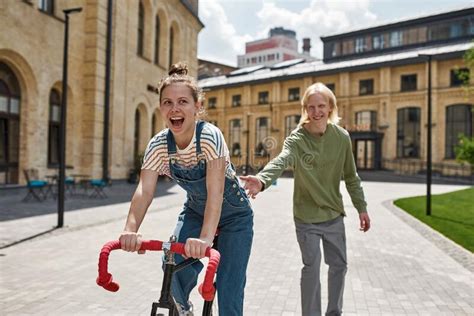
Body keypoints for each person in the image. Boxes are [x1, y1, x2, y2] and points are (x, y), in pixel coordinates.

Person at [119, 62, 254, 316]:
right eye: (167, 102)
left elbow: (215, 192)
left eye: (183, 101)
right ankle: (183, 310)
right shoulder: (159, 145)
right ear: (161, 108)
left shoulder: (209, 136)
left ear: (197, 107)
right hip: (195, 211)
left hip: (235, 216)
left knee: (229, 287)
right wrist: (130, 230)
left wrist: (205, 239)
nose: (175, 108)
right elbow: (144, 191)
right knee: (172, 261)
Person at [240, 82, 371, 316]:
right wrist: (261, 181)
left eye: (321, 106)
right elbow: (282, 160)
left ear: (330, 107)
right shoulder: (297, 139)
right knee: (311, 268)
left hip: (333, 215)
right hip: (306, 218)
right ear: (305, 109)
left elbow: (351, 177)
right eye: (311, 107)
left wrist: (361, 208)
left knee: (339, 266)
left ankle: (334, 313)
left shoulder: (341, 138)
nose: (316, 111)